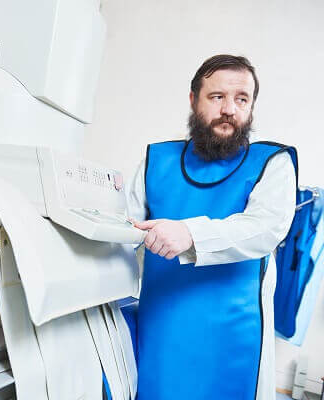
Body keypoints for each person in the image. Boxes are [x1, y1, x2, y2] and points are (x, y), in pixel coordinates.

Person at [124, 55, 297, 400]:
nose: (229, 109)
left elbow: (264, 229)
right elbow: (123, 234)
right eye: (217, 97)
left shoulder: (272, 163)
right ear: (193, 100)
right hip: (161, 327)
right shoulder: (155, 161)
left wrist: (189, 234)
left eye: (242, 99)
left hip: (234, 337)